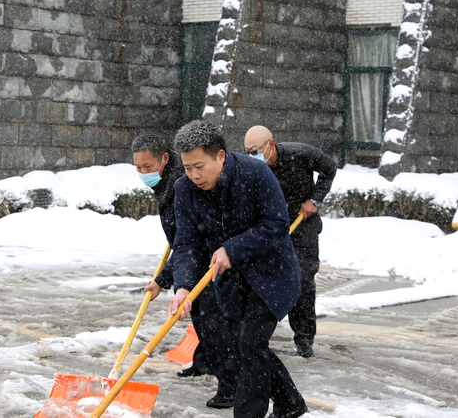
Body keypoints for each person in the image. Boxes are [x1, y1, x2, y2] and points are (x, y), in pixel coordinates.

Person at [169, 120, 308, 418]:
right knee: (247, 345)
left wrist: (233, 249)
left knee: (250, 343)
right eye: (187, 167)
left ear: (220, 155)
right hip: (230, 282)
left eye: (199, 166)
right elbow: (186, 243)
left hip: (272, 274)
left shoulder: (255, 173)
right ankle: (290, 403)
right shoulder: (185, 189)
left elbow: (276, 224)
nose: (193, 175)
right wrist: (183, 286)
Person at [131, 133, 239, 409]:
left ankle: (231, 386)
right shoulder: (168, 183)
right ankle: (204, 362)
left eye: (148, 166)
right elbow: (180, 239)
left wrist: (163, 280)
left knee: (214, 323)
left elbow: (189, 243)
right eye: (138, 168)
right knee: (202, 318)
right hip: (197, 255)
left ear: (165, 159)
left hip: (213, 257)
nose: (144, 173)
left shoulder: (183, 183)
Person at [244, 125, 337, 358]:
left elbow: (329, 168)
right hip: (272, 228)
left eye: (255, 150)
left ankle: (304, 340)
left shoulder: (301, 153)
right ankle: (257, 336)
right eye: (247, 151)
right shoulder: (252, 169)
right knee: (264, 280)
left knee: (302, 280)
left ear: (271, 145)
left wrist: (314, 200)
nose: (251, 156)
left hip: (302, 225)